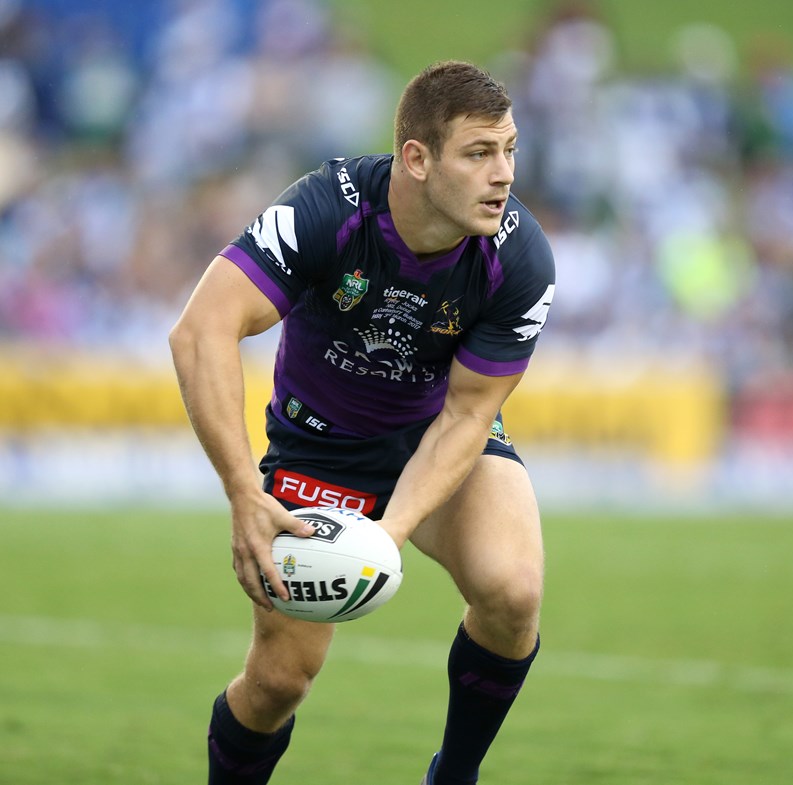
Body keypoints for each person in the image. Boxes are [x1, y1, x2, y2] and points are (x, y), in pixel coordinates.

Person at [169, 60, 556, 785]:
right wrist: (243, 492)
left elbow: (470, 412)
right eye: (478, 153)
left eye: (509, 150)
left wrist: (389, 533)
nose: (503, 174)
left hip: (431, 436)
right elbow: (201, 331)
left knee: (513, 591)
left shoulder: (520, 257)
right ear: (418, 158)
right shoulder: (327, 209)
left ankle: (453, 779)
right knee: (279, 681)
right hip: (316, 451)